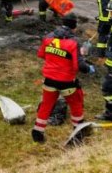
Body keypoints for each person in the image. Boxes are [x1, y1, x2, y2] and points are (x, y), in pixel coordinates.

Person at [32, 13, 95, 143]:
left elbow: (41, 54)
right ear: (74, 26)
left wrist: (55, 59)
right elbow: (79, 66)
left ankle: (38, 130)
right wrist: (89, 68)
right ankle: (78, 132)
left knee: (46, 105)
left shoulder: (48, 37)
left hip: (49, 79)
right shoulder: (73, 42)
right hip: (67, 81)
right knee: (76, 104)